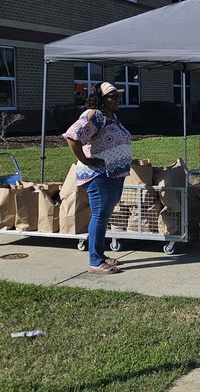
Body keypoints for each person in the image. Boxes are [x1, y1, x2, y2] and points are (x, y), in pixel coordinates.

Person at [63, 82, 133, 274]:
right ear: (101, 98)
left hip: (114, 174)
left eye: (118, 96)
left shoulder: (111, 117)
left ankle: (100, 255)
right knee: (100, 216)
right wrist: (85, 159)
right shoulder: (93, 115)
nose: (117, 99)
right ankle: (95, 261)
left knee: (103, 216)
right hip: (99, 175)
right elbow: (72, 136)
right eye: (112, 96)